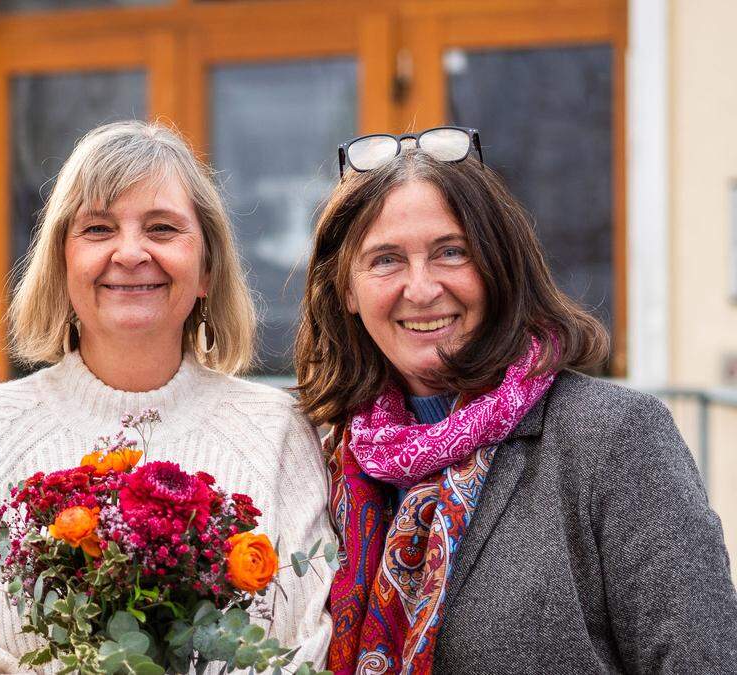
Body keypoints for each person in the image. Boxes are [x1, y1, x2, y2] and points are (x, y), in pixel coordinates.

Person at [0, 120, 333, 673]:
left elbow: (312, 645)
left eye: (162, 228)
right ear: (62, 264)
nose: (131, 252)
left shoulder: (278, 430)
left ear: (207, 267)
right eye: (98, 229)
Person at [294, 127, 737, 673]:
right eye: (385, 260)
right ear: (347, 291)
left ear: (500, 268)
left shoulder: (612, 437)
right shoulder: (319, 456)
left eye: (451, 252)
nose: (422, 287)